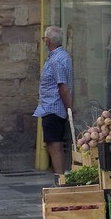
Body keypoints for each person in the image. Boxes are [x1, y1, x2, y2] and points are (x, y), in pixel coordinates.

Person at [33, 25, 74, 179]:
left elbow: (62, 87)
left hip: (54, 108)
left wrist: (69, 108)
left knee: (54, 144)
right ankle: (60, 175)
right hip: (52, 107)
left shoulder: (56, 60)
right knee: (52, 143)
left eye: (44, 39)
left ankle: (60, 177)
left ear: (48, 41)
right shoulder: (61, 56)